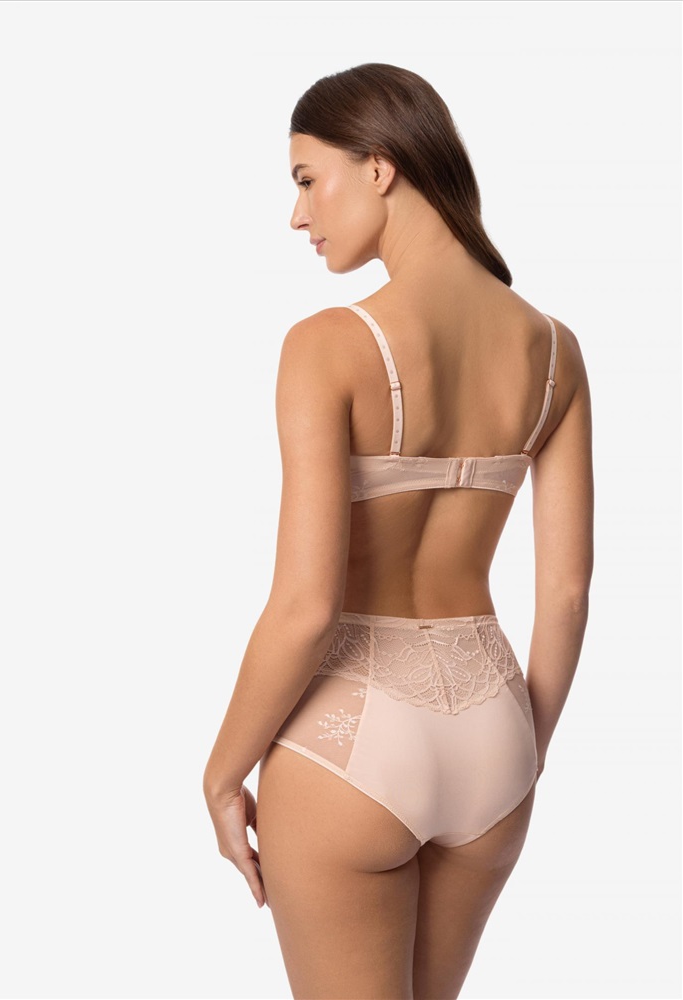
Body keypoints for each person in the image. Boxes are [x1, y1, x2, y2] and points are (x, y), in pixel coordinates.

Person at [203, 62, 594, 999]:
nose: (298, 215)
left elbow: (306, 608)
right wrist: (522, 752)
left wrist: (221, 774)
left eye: (308, 179)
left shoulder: (328, 345)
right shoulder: (553, 350)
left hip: (351, 737)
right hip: (494, 723)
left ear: (379, 167)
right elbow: (566, 591)